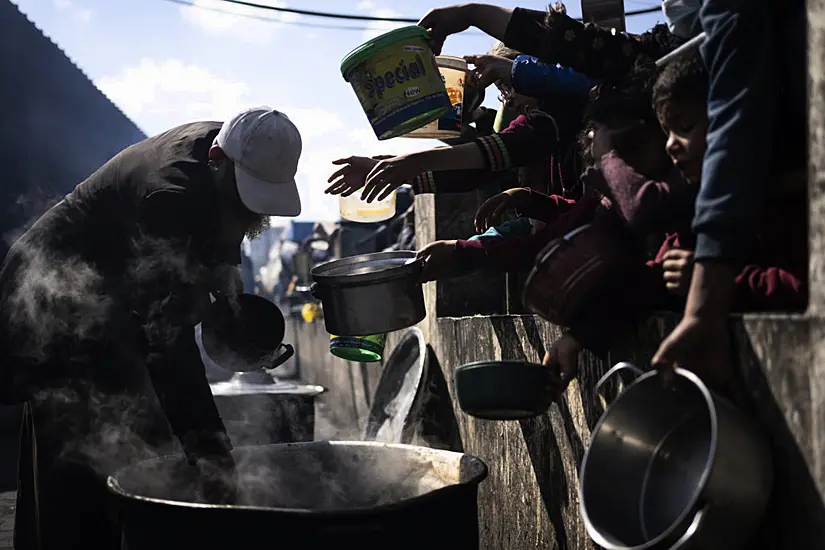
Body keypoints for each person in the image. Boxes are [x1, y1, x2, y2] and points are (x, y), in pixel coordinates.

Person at [0, 106, 303, 550]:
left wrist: (223, 271)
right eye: (243, 199)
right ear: (219, 163)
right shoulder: (169, 198)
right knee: (83, 451)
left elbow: (220, 229)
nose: (246, 214)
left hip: (111, 303)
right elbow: (169, 350)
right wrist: (214, 456)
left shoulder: (228, 150)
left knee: (142, 437)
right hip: (54, 304)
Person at [652, 0, 807, 382]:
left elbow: (801, 286)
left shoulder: (784, 200)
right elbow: (653, 277)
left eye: (686, 126)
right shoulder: (696, 210)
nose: (670, 146)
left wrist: (714, 292)